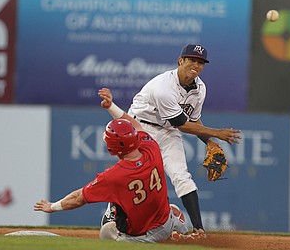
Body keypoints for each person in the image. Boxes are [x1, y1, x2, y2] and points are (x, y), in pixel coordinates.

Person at [34, 88, 188, 243]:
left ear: (112, 149)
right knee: (156, 205)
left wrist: (52, 206)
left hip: (144, 237)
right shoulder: (151, 147)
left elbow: (78, 198)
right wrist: (111, 106)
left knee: (107, 230)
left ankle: (159, 239)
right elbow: (136, 125)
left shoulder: (114, 176)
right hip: (166, 221)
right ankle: (176, 228)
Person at [127, 44, 242, 237]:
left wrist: (210, 142)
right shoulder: (163, 87)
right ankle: (114, 218)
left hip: (168, 132)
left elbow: (194, 120)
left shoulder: (200, 88)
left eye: (200, 62)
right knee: (136, 179)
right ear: (180, 61)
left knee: (182, 176)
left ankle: (199, 229)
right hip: (141, 129)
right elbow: (182, 124)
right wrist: (217, 133)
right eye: (192, 60)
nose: (196, 65)